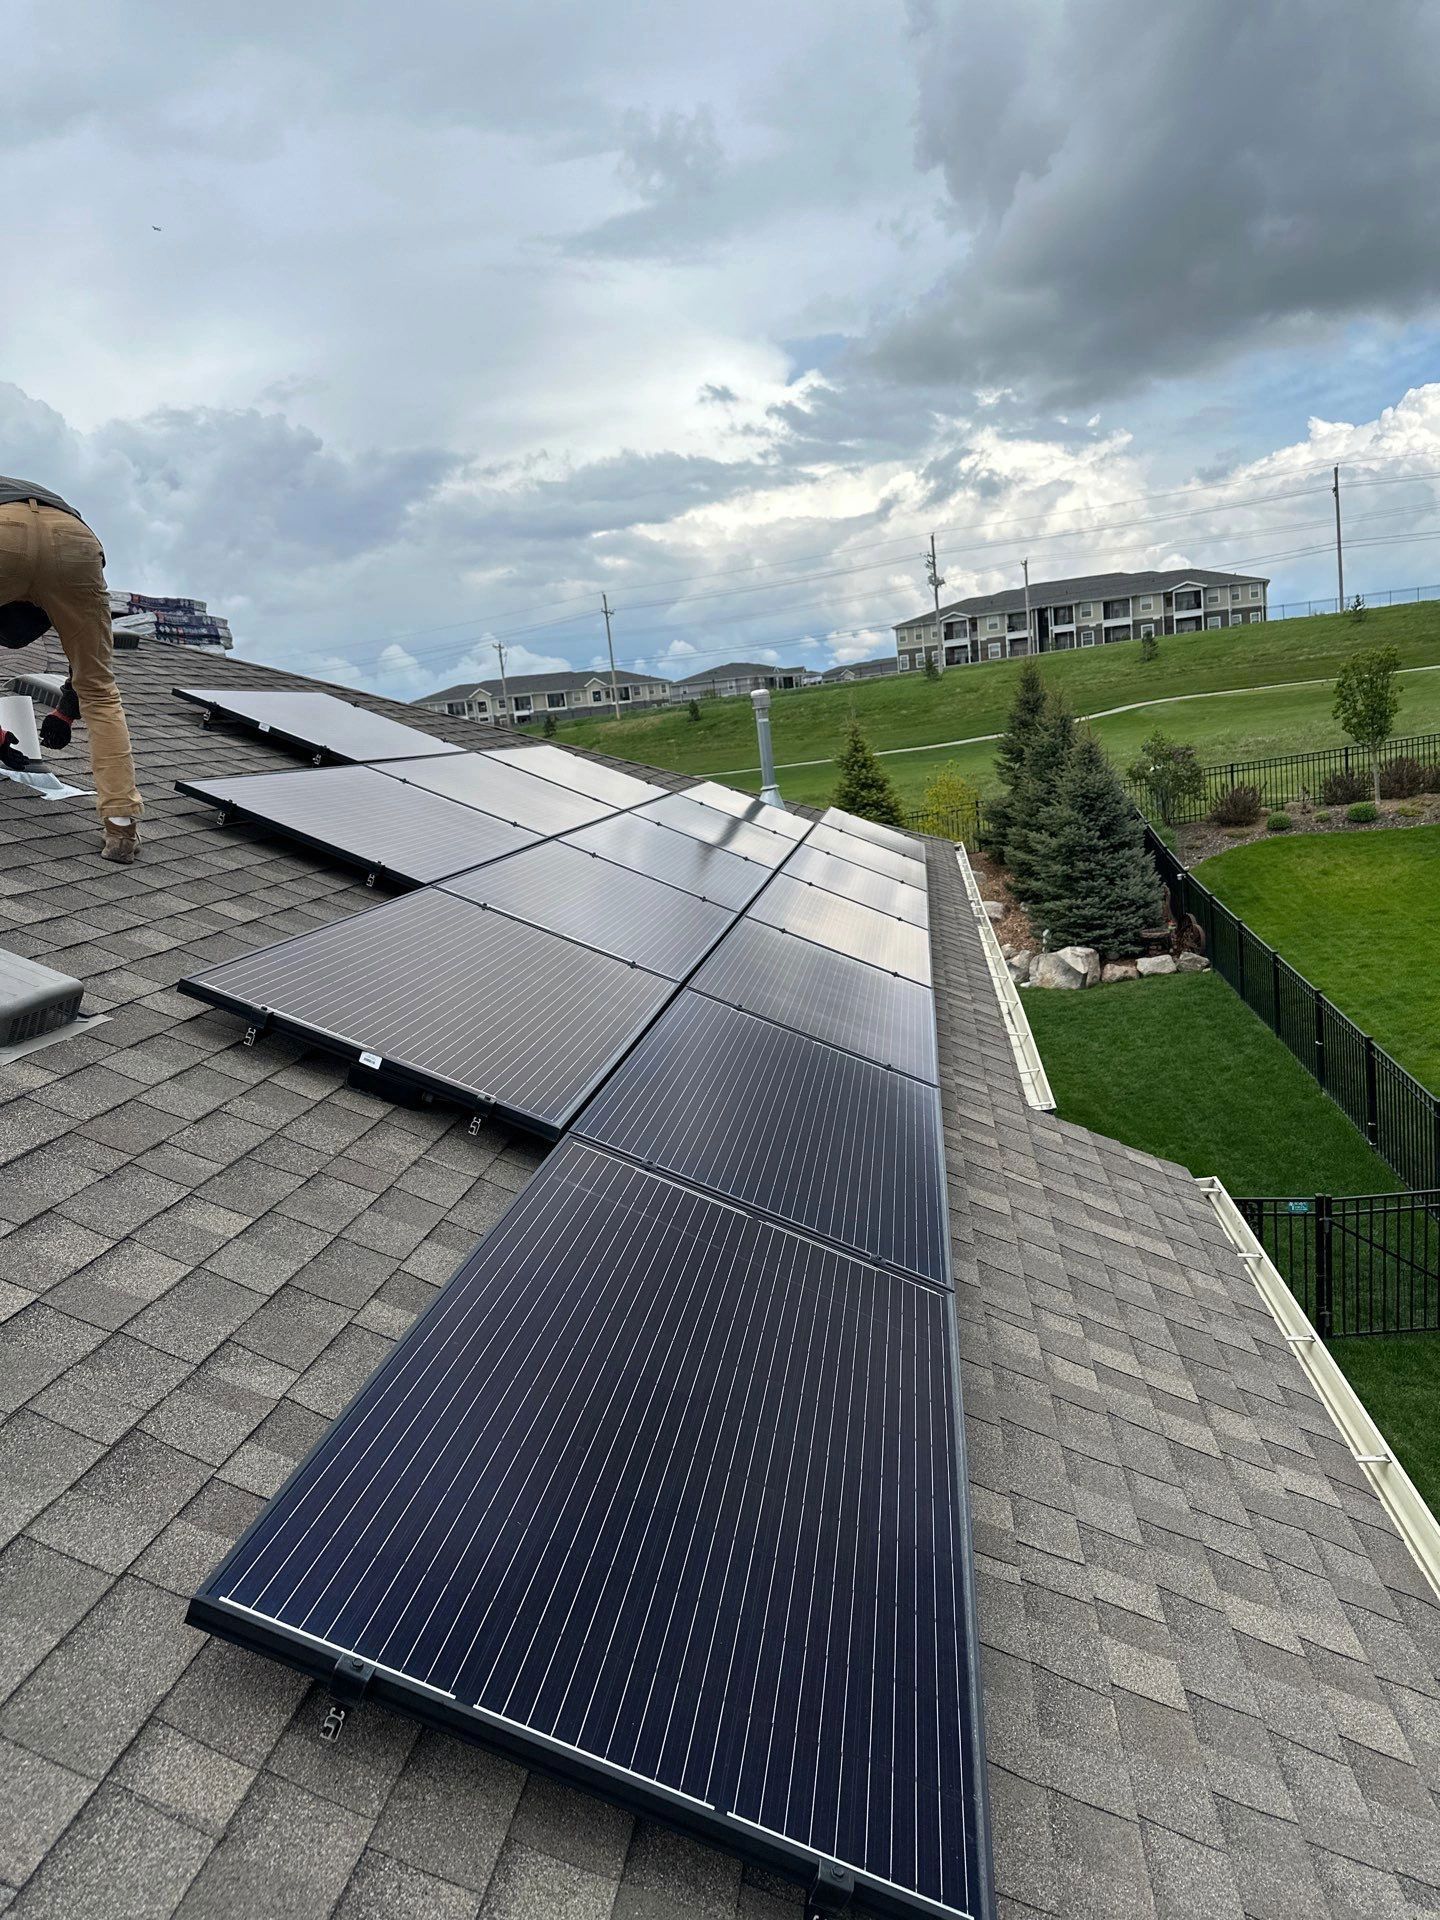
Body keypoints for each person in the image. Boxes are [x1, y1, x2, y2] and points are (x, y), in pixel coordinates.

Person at [0, 477, 143, 862]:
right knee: (99, 688)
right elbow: (87, 663)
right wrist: (66, 710)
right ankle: (121, 828)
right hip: (75, 539)